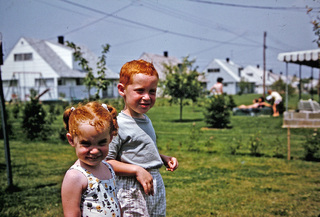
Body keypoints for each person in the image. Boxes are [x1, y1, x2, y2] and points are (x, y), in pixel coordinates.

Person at [106, 59, 179, 216]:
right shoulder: (118, 125)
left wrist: (163, 158)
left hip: (154, 183)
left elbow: (140, 150)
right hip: (132, 187)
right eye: (140, 91)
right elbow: (107, 162)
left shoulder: (145, 120)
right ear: (122, 89)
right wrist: (137, 170)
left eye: (152, 91)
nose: (147, 97)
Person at [61, 102, 121, 217]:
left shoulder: (108, 168)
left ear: (110, 138)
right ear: (71, 140)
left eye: (101, 142)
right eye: (86, 144)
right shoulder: (75, 176)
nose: (94, 151)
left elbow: (116, 205)